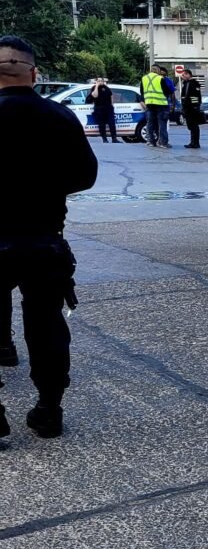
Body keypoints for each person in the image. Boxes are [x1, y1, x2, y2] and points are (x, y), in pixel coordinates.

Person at [0, 35, 98, 439]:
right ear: (34, 74)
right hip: (43, 238)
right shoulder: (59, 116)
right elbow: (85, 176)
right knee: (46, 325)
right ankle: (49, 409)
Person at [139, 63, 171, 148]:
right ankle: (162, 142)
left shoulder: (144, 78)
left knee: (150, 123)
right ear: (158, 70)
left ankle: (150, 141)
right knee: (162, 123)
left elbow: (142, 92)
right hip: (161, 104)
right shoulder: (160, 78)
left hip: (149, 103)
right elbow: (167, 91)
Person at [86, 77, 118, 143]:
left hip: (108, 108)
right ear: (96, 81)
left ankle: (114, 139)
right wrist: (97, 86)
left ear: (103, 81)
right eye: (98, 81)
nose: (100, 82)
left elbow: (111, 96)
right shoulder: (94, 88)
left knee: (112, 123)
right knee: (102, 124)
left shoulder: (106, 88)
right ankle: (104, 139)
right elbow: (95, 95)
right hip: (99, 109)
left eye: (101, 81)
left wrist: (112, 105)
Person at [180, 69, 202, 148]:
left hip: (192, 108)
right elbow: (184, 97)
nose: (182, 77)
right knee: (191, 126)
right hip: (187, 108)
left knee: (194, 126)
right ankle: (192, 142)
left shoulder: (193, 83)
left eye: (184, 75)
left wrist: (195, 106)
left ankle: (195, 143)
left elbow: (196, 97)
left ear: (188, 74)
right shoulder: (186, 84)